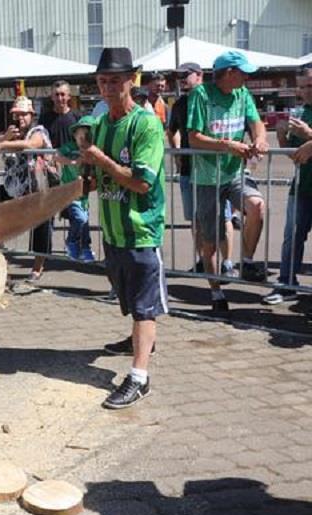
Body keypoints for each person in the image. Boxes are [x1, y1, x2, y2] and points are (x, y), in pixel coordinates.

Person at [79, 47, 167, 409]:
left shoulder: (146, 123)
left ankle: (139, 378)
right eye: (102, 81)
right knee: (130, 301)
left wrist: (100, 159)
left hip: (142, 232)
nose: (107, 87)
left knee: (145, 308)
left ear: (131, 80)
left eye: (115, 80)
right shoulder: (101, 124)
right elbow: (80, 133)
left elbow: (142, 182)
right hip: (113, 233)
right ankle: (141, 339)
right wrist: (85, 155)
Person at [187, 50, 269, 312]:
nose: (247, 77)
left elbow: (257, 123)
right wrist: (227, 146)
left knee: (257, 206)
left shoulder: (242, 94)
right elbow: (194, 138)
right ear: (229, 72)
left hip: (234, 174)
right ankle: (215, 293)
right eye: (243, 72)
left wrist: (260, 139)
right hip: (207, 178)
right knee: (210, 241)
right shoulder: (201, 94)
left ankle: (246, 260)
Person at [167, 62, 237, 279]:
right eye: (179, 76)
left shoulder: (212, 98)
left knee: (223, 216)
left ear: (200, 75)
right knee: (195, 218)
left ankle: (227, 262)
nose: (182, 80)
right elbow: (172, 130)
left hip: (215, 170)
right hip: (189, 171)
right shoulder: (179, 104)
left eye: (185, 75)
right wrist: (178, 153)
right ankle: (203, 260)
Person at [0, 95, 54, 281]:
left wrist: (3, 144)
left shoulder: (39, 131)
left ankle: (37, 267)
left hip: (39, 190)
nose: (20, 118)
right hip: (14, 191)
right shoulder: (11, 134)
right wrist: (3, 138)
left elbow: (31, 145)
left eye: (24, 114)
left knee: (41, 228)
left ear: (32, 115)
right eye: (17, 114)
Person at [263, 67, 312, 305]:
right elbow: (295, 155)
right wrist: (283, 135)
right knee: (292, 237)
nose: (305, 91)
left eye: (309, 86)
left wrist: (309, 136)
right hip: (302, 186)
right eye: (302, 87)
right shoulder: (303, 112)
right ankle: (287, 283)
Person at [55, 115, 96, 262]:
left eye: (87, 136)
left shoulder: (93, 152)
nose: (83, 139)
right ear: (75, 135)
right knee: (80, 218)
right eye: (80, 135)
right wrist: (72, 162)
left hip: (83, 193)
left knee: (85, 223)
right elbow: (56, 156)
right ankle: (71, 241)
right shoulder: (70, 148)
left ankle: (85, 248)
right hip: (69, 192)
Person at [40, 80, 80, 149]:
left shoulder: (78, 117)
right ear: (52, 97)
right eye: (56, 95)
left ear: (69, 96)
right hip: (51, 158)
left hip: (72, 158)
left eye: (62, 94)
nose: (59, 98)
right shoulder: (44, 118)